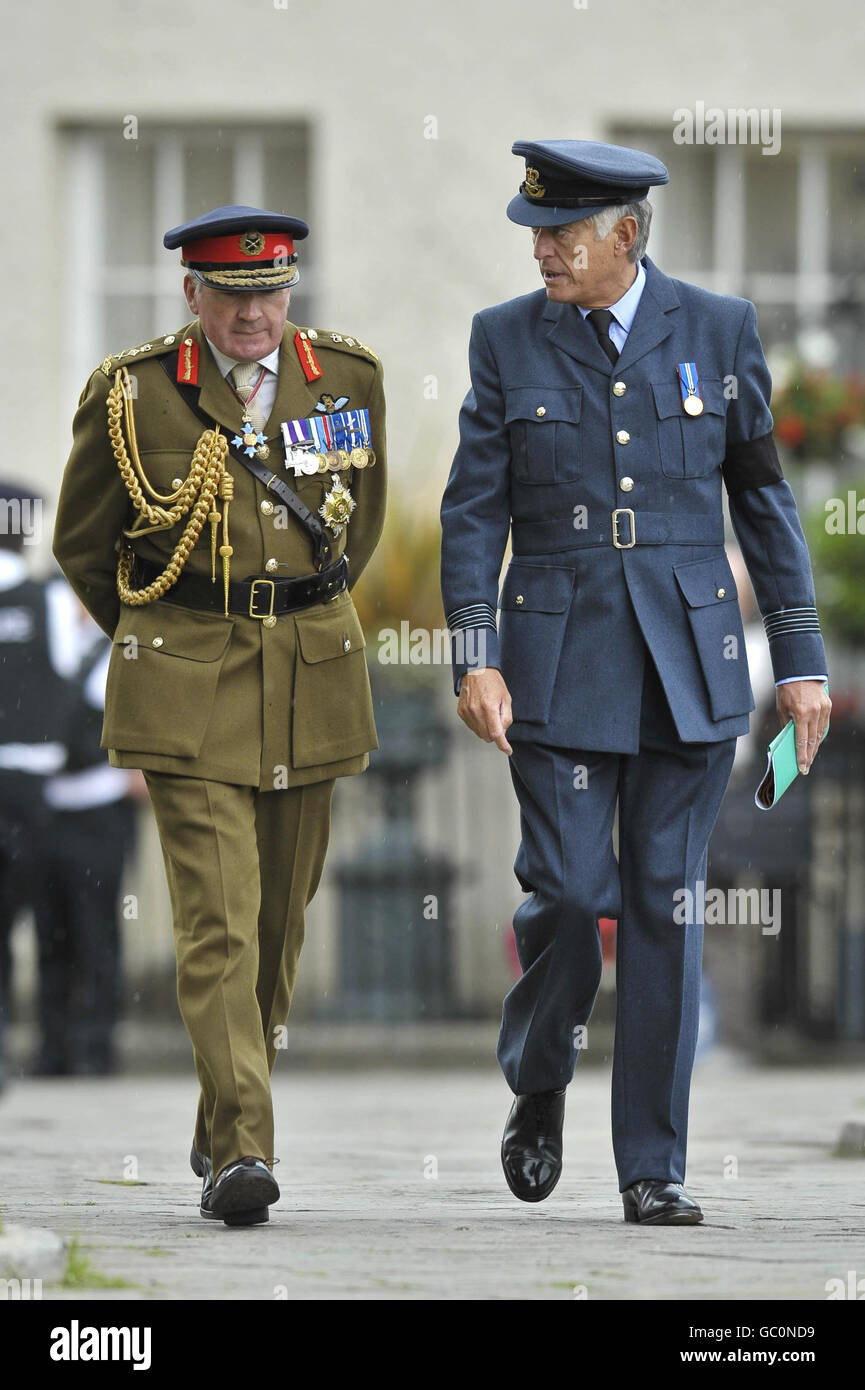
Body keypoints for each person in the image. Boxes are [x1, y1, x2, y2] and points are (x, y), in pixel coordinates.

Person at [440, 140, 830, 1224]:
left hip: (689, 667)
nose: (543, 251)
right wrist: (473, 653)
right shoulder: (503, 339)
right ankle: (540, 1075)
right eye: (534, 231)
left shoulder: (718, 330)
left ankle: (651, 1165)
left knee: (664, 905)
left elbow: (763, 500)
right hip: (555, 666)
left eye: (563, 232)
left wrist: (799, 662)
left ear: (628, 234)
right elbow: (473, 510)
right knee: (569, 894)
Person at [54, 205, 387, 1225]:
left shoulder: (349, 378)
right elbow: (82, 544)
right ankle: (245, 1148)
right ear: (192, 295)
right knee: (218, 924)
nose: (255, 315)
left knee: (278, 928)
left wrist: (289, 620)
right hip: (186, 680)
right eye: (233, 296)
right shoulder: (133, 391)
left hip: (310, 677)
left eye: (271, 293)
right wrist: (171, 637)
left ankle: (218, 1119)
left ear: (292, 290)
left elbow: (355, 532)